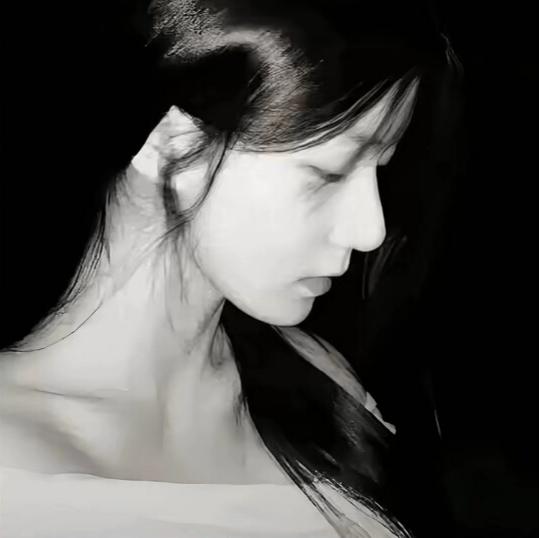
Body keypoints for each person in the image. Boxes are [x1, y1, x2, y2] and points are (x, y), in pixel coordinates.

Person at [0, 1, 460, 536]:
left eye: (379, 168)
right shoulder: (17, 475)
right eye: (329, 173)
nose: (370, 230)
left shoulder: (318, 376)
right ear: (176, 146)